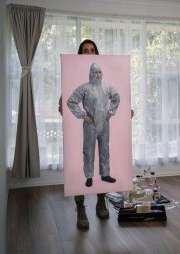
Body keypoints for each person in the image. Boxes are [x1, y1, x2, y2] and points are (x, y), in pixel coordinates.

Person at [58, 39, 110, 230]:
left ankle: (101, 201)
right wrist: (79, 114)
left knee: (103, 154)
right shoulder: (74, 77)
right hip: (84, 127)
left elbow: (116, 97)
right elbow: (67, 102)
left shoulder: (104, 82)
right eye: (85, 50)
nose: (89, 52)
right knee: (85, 157)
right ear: (79, 54)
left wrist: (124, 113)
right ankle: (80, 208)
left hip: (103, 126)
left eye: (92, 50)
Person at [67, 62, 120, 187]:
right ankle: (89, 176)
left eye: (99, 72)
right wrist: (83, 116)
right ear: (91, 73)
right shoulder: (84, 88)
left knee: (104, 149)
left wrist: (110, 112)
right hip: (90, 123)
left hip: (104, 122)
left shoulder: (107, 87)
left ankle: (105, 174)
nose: (97, 74)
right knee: (89, 150)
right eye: (95, 72)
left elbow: (116, 97)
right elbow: (71, 101)